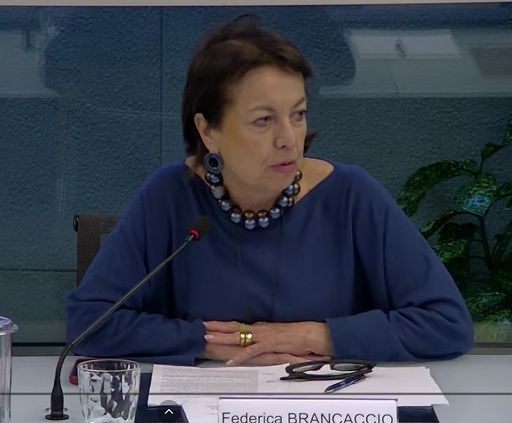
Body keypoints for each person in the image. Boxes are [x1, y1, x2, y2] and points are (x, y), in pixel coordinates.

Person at [66, 16, 473, 366]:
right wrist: (213, 343)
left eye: (298, 115)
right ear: (208, 130)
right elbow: (89, 323)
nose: (289, 140)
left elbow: (446, 324)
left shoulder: (351, 195)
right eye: (263, 121)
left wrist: (314, 336)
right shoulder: (170, 196)